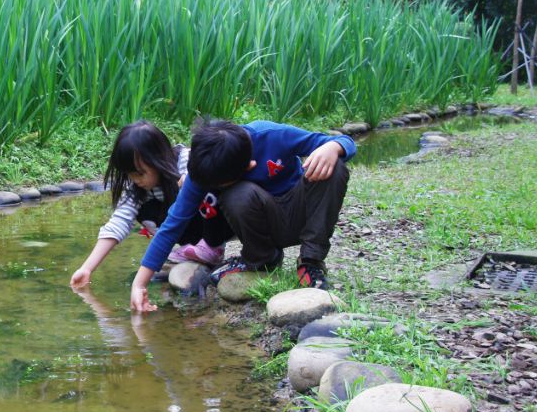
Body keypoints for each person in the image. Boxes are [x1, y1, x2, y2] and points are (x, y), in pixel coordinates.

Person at [129, 119, 355, 312]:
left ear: (249, 166)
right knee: (238, 195)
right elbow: (172, 224)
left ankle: (311, 260)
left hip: (301, 213)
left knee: (335, 167)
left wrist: (334, 146)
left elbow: (347, 142)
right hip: (265, 220)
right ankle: (262, 258)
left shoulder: (272, 135)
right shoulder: (204, 168)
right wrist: (140, 284)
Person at [70, 121, 232, 288]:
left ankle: (213, 246)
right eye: (130, 175)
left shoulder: (186, 160)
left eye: (140, 173)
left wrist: (188, 179)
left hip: (216, 223)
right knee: (146, 209)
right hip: (185, 227)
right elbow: (118, 223)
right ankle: (193, 248)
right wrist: (87, 268)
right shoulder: (136, 189)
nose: (135, 180)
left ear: (158, 160)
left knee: (200, 181)